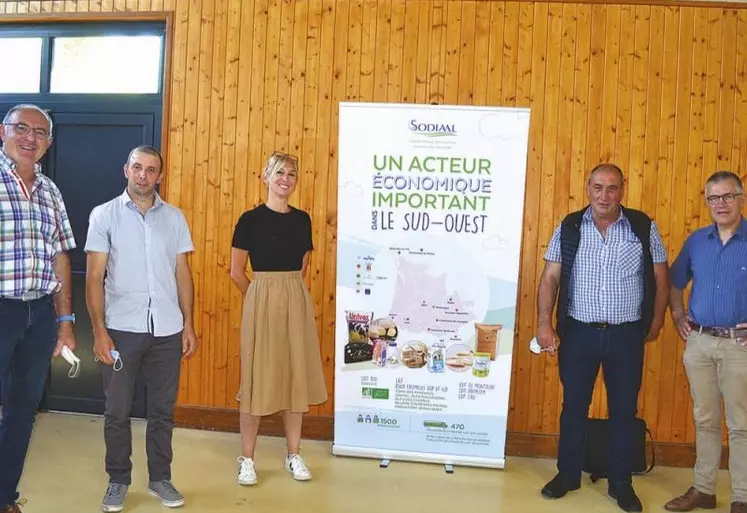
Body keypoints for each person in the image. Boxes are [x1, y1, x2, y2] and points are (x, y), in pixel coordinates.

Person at [536, 163, 670, 512]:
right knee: (573, 407)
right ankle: (567, 475)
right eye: (598, 187)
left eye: (612, 188)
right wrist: (543, 323)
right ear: (587, 188)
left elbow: (660, 277)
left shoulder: (642, 227)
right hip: (578, 333)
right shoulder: (570, 226)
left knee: (624, 411)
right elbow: (550, 277)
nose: (604, 195)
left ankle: (621, 483)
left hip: (626, 335)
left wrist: (656, 321)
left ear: (622, 190)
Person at [85, 145, 198, 512]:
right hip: (122, 329)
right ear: (126, 170)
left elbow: (182, 273)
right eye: (137, 167)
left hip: (167, 328)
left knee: (162, 410)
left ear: (160, 176)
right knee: (117, 411)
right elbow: (94, 277)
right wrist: (99, 332)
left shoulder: (175, 218)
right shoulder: (104, 216)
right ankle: (118, 480)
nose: (143, 175)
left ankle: (160, 478)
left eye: (151, 169)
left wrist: (188, 324)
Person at [229, 151, 328, 485]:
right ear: (265, 176)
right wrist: (259, 299)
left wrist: (286, 295)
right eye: (279, 173)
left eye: (291, 174)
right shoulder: (249, 220)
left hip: (295, 297)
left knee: (294, 374)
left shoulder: (302, 220)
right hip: (262, 297)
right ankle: (247, 459)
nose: (285, 179)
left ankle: (294, 454)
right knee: (256, 379)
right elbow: (236, 271)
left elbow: (302, 267)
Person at [0, 104, 78, 513]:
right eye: (22, 129)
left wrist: (64, 321)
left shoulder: (50, 191)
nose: (30, 138)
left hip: (38, 316)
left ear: (48, 144)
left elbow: (61, 255)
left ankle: (4, 497)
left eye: (40, 133)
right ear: (3, 131)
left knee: (22, 411)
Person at [664, 171, 747, 513]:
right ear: (707, 202)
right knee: (705, 420)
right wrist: (677, 315)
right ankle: (704, 490)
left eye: (728, 196)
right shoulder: (697, 241)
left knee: (741, 424)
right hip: (698, 343)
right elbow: (675, 281)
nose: (721, 204)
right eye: (713, 198)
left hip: (739, 347)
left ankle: (742, 496)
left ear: (741, 198)